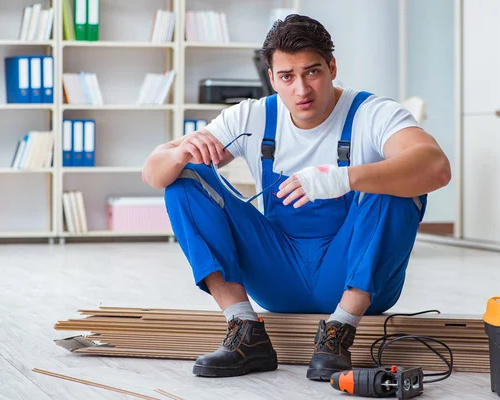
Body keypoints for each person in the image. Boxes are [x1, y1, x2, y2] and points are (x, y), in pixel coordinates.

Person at [142, 14, 451, 381]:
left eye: (312, 72)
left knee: (399, 179)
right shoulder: (253, 117)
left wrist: (343, 178)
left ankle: (339, 333)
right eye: (287, 76)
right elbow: (153, 174)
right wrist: (178, 153)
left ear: (332, 67)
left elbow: (436, 167)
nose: (301, 90)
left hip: (357, 278)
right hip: (279, 274)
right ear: (272, 79)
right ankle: (245, 330)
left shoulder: (372, 113)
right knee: (185, 179)